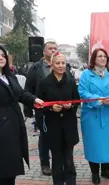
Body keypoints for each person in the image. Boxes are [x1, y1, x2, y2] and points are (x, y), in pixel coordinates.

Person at [0, 45, 44, 185]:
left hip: (13, 125)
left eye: (2, 55)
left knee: (11, 165)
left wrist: (34, 99)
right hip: (2, 127)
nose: (1, 58)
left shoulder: (9, 75)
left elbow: (20, 93)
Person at [24, 41, 69, 176]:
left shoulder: (63, 66)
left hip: (61, 111)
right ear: (44, 52)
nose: (53, 50)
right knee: (44, 137)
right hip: (43, 110)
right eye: (50, 48)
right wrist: (29, 109)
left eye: (55, 48)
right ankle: (45, 163)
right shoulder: (36, 68)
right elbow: (28, 89)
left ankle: (61, 162)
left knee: (61, 136)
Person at [35, 52, 80, 185]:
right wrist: (50, 108)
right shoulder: (44, 83)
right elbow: (38, 105)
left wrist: (70, 105)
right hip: (53, 126)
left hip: (68, 126)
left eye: (63, 63)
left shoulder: (71, 82)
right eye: (58, 63)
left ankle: (71, 181)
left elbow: (77, 101)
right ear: (51, 65)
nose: (61, 66)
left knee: (69, 159)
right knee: (57, 159)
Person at [78, 48, 109, 185]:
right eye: (99, 56)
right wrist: (99, 99)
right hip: (92, 115)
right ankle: (95, 172)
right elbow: (83, 92)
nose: (102, 58)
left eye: (104, 56)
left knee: (107, 143)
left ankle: (106, 170)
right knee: (94, 144)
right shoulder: (86, 74)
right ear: (93, 59)